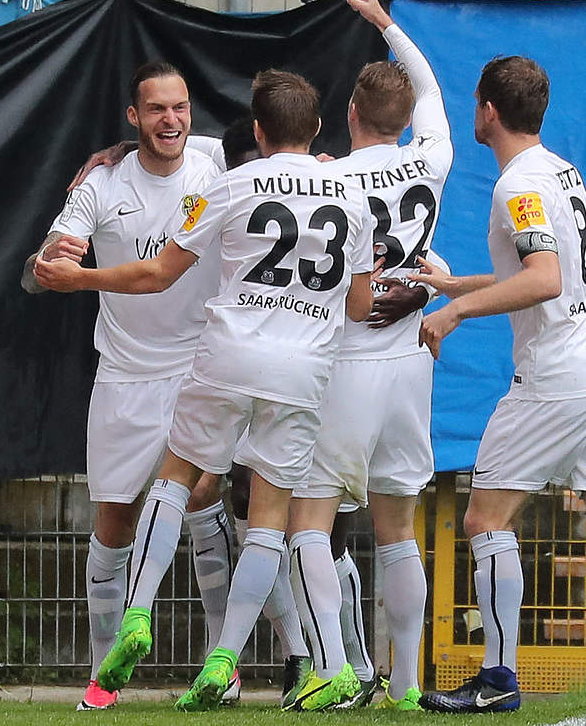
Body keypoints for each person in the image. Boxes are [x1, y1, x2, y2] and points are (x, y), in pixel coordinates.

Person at [36, 69, 375, 712]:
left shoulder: (227, 182)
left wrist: (79, 281)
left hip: (223, 357)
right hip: (302, 371)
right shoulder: (350, 194)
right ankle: (226, 661)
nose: (172, 120)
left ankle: (140, 616)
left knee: (174, 483)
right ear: (320, 129)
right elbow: (358, 305)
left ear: (255, 131)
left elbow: (162, 271)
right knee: (269, 521)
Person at [412, 55, 586, 714]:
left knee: (485, 518)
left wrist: (452, 311)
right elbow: (552, 273)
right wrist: (460, 285)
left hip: (557, 378)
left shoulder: (517, 187)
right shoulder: (560, 171)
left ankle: (499, 678)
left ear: (487, 111)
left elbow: (544, 279)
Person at [21, 61, 237, 712]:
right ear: (133, 118)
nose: (171, 120)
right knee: (113, 521)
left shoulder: (216, 164)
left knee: (203, 498)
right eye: (157, 110)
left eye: (180, 108)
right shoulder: (101, 182)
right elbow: (47, 265)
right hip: (123, 375)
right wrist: (49, 262)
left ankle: (219, 671)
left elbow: (282, 154)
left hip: (200, 366)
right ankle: (103, 677)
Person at [283, 0, 455, 711]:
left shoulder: (328, 178)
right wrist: (386, 22)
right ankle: (408, 686)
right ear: (408, 118)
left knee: (305, 524)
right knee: (397, 528)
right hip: (412, 359)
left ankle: (333, 666)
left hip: (349, 357)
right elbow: (430, 84)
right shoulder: (434, 158)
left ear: (351, 115)